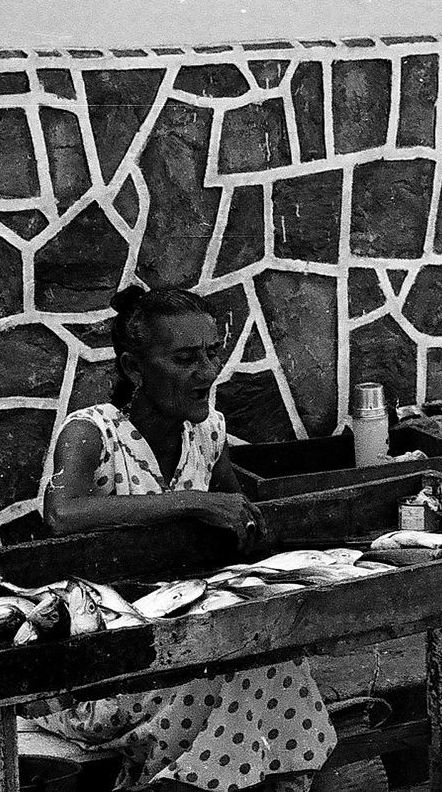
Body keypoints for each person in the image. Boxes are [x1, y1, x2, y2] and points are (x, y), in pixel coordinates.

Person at [38, 284, 335, 792]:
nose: (207, 372)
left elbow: (244, 528)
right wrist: (193, 503)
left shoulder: (209, 433)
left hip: (189, 644)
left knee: (267, 657)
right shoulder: (91, 433)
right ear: (134, 369)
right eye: (185, 358)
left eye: (212, 353)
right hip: (101, 673)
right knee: (242, 673)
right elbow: (62, 513)